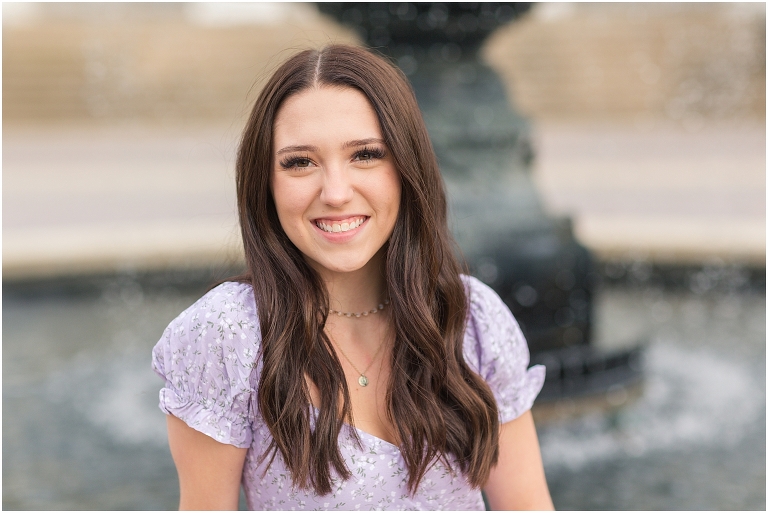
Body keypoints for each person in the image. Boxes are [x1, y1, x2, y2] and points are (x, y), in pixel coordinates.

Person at [152, 44, 553, 511]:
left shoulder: (472, 319)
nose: (336, 193)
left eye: (365, 154)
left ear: (407, 167)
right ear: (266, 182)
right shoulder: (227, 334)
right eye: (300, 162)